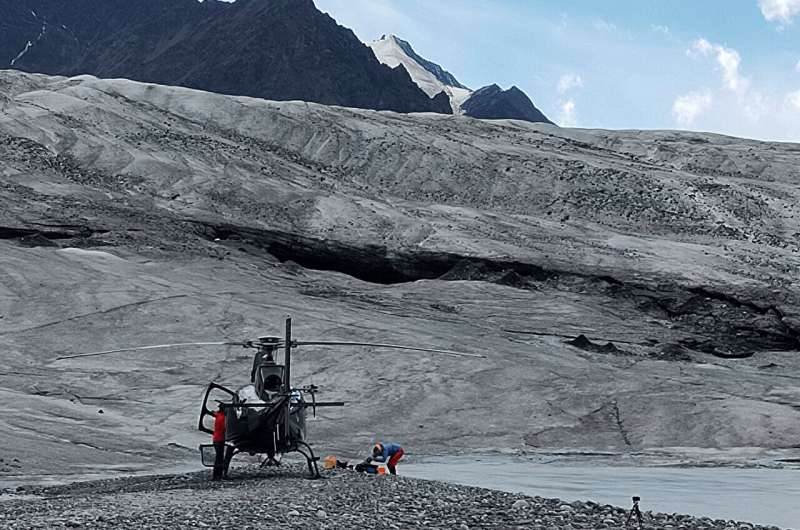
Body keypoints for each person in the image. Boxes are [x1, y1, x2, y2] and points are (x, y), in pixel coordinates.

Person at [212, 403, 231, 480]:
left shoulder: (218, 415)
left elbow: (214, 413)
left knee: (218, 457)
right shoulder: (223, 418)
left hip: (215, 439)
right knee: (219, 458)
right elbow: (226, 429)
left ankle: (217, 474)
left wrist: (212, 412)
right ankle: (217, 475)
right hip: (220, 439)